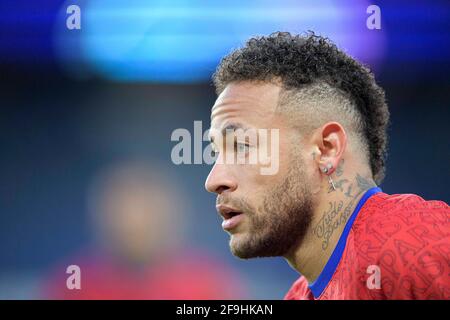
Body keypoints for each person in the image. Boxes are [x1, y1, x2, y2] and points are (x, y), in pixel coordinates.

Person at [204, 32, 449, 300]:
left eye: (242, 146)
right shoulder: (298, 295)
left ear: (326, 149)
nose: (214, 180)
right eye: (217, 153)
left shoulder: (414, 244)